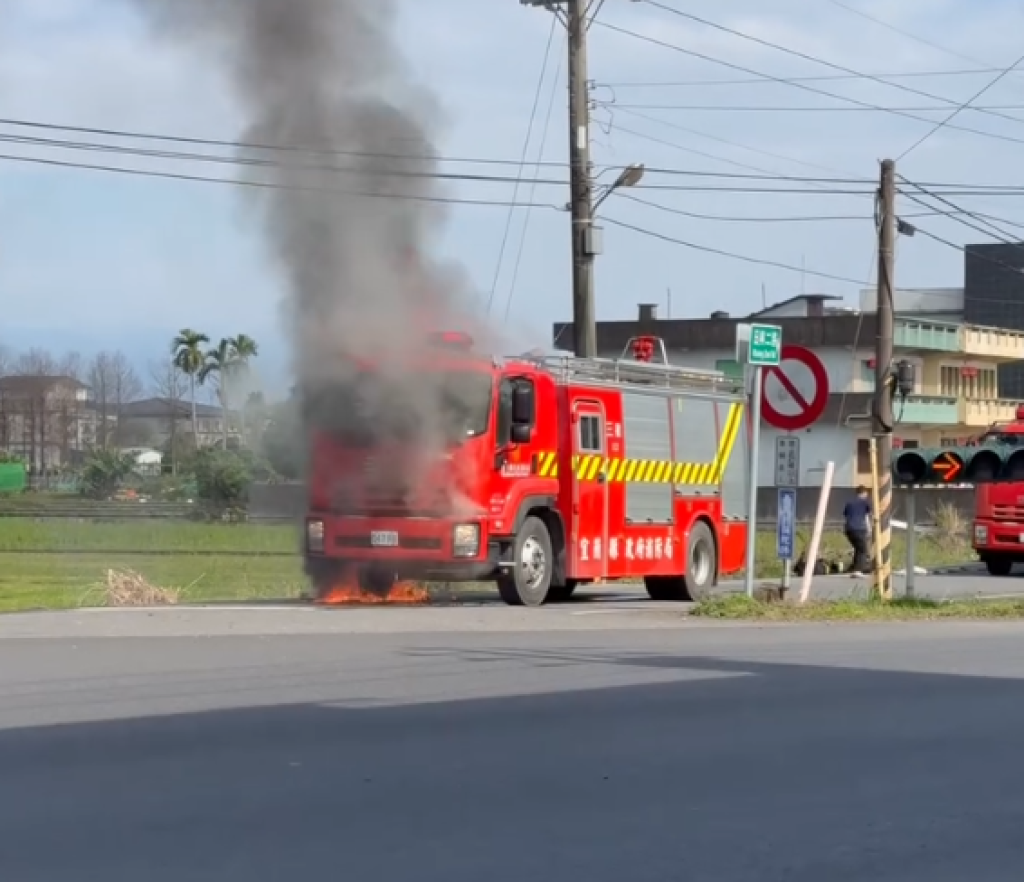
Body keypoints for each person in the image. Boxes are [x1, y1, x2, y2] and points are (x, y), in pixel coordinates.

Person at [843, 486, 872, 576]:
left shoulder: (849, 503)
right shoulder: (865, 503)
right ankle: (859, 569)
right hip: (859, 528)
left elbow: (846, 517)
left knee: (858, 548)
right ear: (864, 493)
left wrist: (846, 529)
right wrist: (869, 529)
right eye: (866, 493)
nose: (867, 495)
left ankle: (854, 567)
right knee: (863, 549)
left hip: (849, 530)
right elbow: (866, 517)